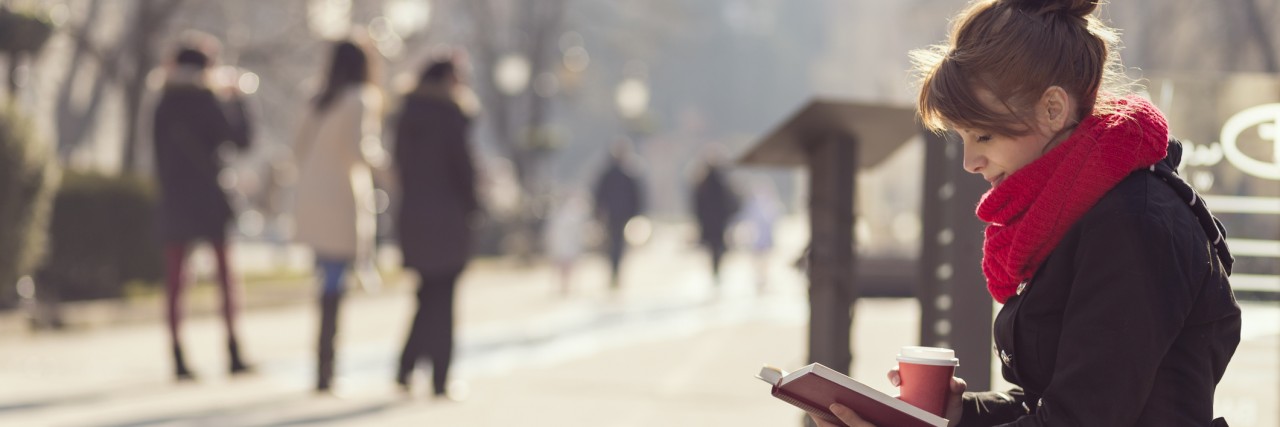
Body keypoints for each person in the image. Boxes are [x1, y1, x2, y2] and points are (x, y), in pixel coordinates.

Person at [817, 0, 1240, 426]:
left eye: (983, 135)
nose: (969, 162)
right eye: (961, 137)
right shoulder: (1078, 208)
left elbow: (1079, 419)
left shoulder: (1131, 224)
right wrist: (960, 412)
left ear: (1053, 109)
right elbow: (1053, 401)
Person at [152, 36, 253, 381]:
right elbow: (241, 140)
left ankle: (177, 355)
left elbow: (157, 156)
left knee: (176, 281)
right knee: (225, 278)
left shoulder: (163, 102)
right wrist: (237, 99)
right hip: (209, 199)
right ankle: (233, 351)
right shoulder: (207, 99)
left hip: (175, 199)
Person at [292, 39, 386, 393]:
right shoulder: (362, 99)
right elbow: (364, 150)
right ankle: (326, 367)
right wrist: (394, 173)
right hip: (342, 198)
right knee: (334, 285)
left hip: (312, 198)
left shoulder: (315, 98)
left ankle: (322, 365)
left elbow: (297, 148)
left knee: (325, 281)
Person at [392, 58, 480, 399]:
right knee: (442, 301)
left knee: (427, 296)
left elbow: (400, 165)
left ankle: (405, 367)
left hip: (414, 214)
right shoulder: (450, 115)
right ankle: (439, 378)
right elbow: (463, 169)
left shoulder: (406, 114)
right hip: (447, 216)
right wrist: (473, 206)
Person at [592, 140, 645, 289]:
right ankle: (615, 271)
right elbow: (636, 196)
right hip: (621, 215)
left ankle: (614, 272)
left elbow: (599, 195)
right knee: (617, 245)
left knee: (613, 245)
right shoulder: (626, 174)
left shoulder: (610, 173)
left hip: (614, 215)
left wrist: (598, 212)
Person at [691, 149, 740, 285]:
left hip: (710, 222)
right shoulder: (722, 182)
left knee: (713, 248)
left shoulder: (703, 183)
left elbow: (697, 204)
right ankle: (716, 271)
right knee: (717, 247)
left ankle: (715, 271)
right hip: (718, 222)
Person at [544, 190, 590, 295]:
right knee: (564, 267)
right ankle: (563, 287)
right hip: (564, 245)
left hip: (565, 245)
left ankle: (565, 287)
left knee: (565, 267)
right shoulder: (565, 217)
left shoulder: (566, 217)